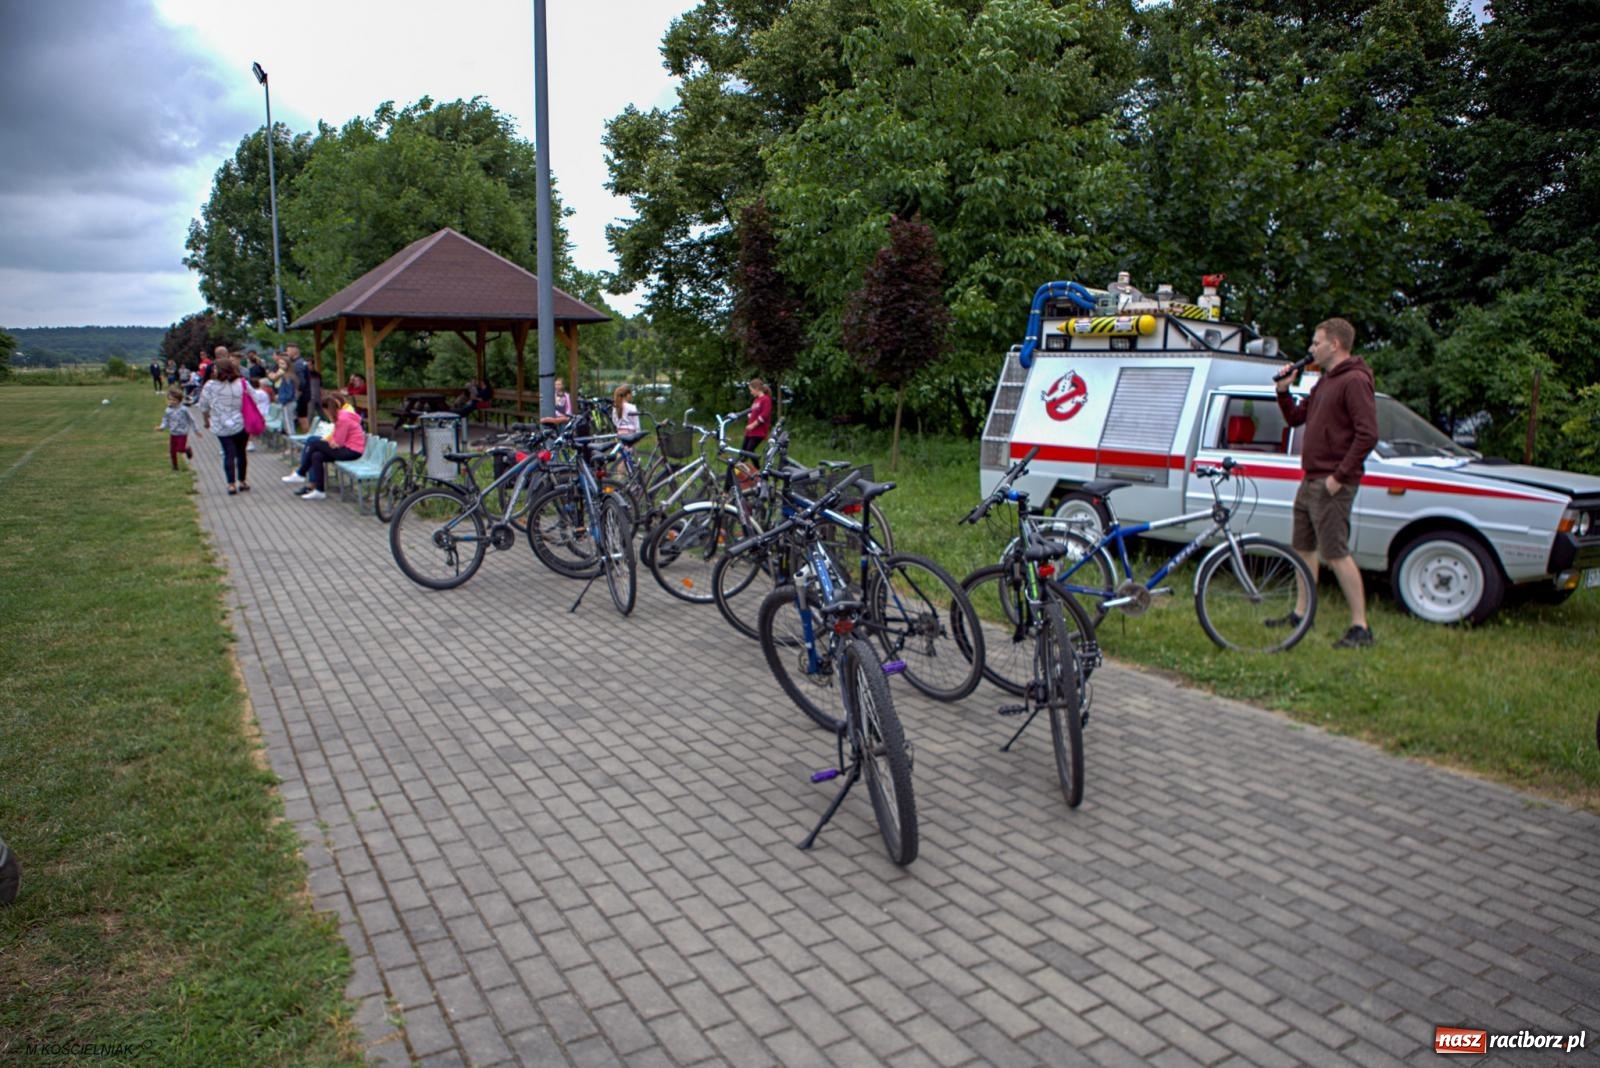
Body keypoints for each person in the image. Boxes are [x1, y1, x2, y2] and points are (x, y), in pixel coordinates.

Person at [1275, 317, 1379, 648]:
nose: (1311, 348)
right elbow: (1295, 418)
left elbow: (1368, 435)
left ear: (1334, 345)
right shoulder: (1325, 381)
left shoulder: (1354, 381)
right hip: (1311, 478)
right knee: (1303, 547)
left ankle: (1360, 627)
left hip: (1333, 482)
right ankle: (1302, 613)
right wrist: (1283, 390)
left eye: (1316, 342)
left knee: (1335, 552)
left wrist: (1339, 476)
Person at [282, 394, 365, 501]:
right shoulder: (341, 416)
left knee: (314, 443)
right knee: (317, 456)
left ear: (328, 409)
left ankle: (301, 473)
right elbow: (335, 439)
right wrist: (332, 442)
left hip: (352, 451)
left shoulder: (342, 419)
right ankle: (319, 490)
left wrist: (332, 442)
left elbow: (338, 442)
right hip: (347, 449)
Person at [199, 355, 252, 494]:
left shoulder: (210, 386)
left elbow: (203, 406)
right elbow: (254, 398)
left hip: (220, 424)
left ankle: (231, 484)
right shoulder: (242, 383)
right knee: (241, 453)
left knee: (228, 453)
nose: (213, 370)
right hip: (240, 422)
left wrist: (206, 421)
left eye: (215, 368)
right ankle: (243, 481)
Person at [157, 385, 196, 470]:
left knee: (180, 449)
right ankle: (175, 466)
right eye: (170, 400)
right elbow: (165, 420)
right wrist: (162, 427)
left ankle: (187, 450)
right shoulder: (168, 410)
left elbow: (191, 419)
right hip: (173, 433)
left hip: (182, 433)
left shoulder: (184, 409)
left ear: (179, 400)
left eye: (174, 400)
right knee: (172, 451)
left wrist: (196, 430)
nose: (172, 402)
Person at [740, 378, 772, 456]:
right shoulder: (756, 400)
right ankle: (741, 462)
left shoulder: (766, 400)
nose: (751, 393)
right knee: (743, 451)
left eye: (751, 390)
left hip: (759, 432)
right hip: (750, 432)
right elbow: (753, 412)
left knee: (749, 451)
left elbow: (764, 415)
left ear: (757, 389)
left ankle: (753, 464)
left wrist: (753, 425)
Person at [246, 370, 272, 452]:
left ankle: (249, 443)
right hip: (261, 412)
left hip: (262, 413)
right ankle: (248, 442)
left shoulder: (259, 393)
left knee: (250, 423)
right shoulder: (260, 392)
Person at [290, 345, 311, 431]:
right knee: (302, 416)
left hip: (302, 394)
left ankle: (307, 435)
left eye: (288, 351)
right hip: (306, 393)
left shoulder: (298, 364)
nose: (287, 353)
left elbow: (301, 381)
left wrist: (298, 391)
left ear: (294, 351)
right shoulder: (302, 362)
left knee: (302, 417)